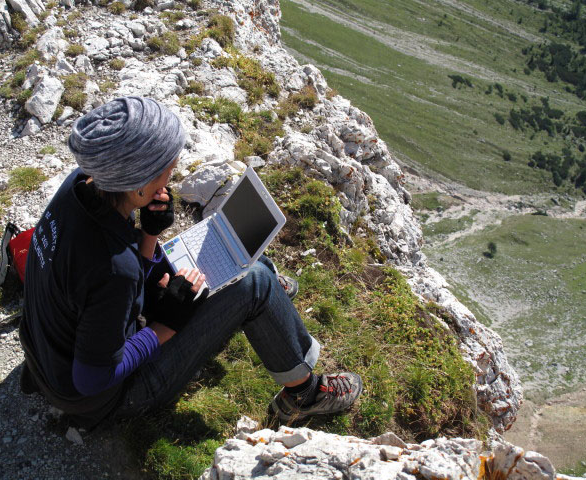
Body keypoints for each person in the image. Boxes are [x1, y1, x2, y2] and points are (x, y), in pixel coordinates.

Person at [18, 96, 362, 429]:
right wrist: (166, 324)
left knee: (231, 272)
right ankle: (304, 394)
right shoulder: (115, 269)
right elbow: (93, 377)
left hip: (46, 357)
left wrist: (149, 234)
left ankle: (246, 290)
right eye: (168, 168)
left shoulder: (80, 184)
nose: (172, 175)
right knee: (255, 282)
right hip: (101, 396)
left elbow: (98, 278)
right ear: (137, 183)